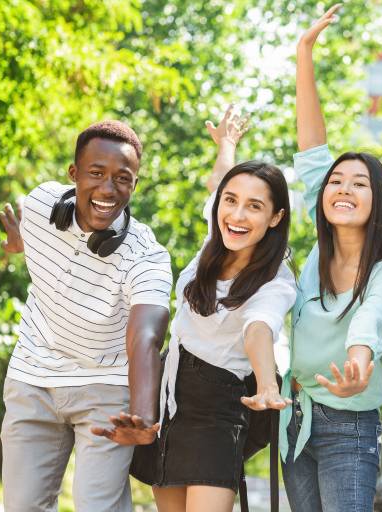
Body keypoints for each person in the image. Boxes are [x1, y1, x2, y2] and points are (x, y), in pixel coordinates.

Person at [118, 107, 296, 512]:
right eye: (231, 202)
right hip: (169, 391)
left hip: (218, 408)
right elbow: (220, 183)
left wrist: (268, 385)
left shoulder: (276, 279)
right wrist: (227, 145)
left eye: (254, 206)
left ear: (275, 217)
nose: (236, 214)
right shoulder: (216, 239)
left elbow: (259, 330)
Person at [0, 120, 172, 511]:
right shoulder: (42, 205)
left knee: (98, 507)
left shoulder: (148, 256)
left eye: (122, 179)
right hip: (33, 375)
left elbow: (146, 336)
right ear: (73, 174)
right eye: (96, 173)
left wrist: (143, 415)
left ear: (135, 185)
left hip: (105, 387)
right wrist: (18, 242)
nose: (108, 189)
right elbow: (29, 234)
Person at [279, 5, 382, 511]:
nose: (342, 189)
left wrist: (359, 364)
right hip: (297, 414)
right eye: (336, 182)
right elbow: (313, 147)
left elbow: (372, 321)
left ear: (378, 200)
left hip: (349, 426)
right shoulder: (318, 247)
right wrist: (304, 54)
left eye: (359, 184)